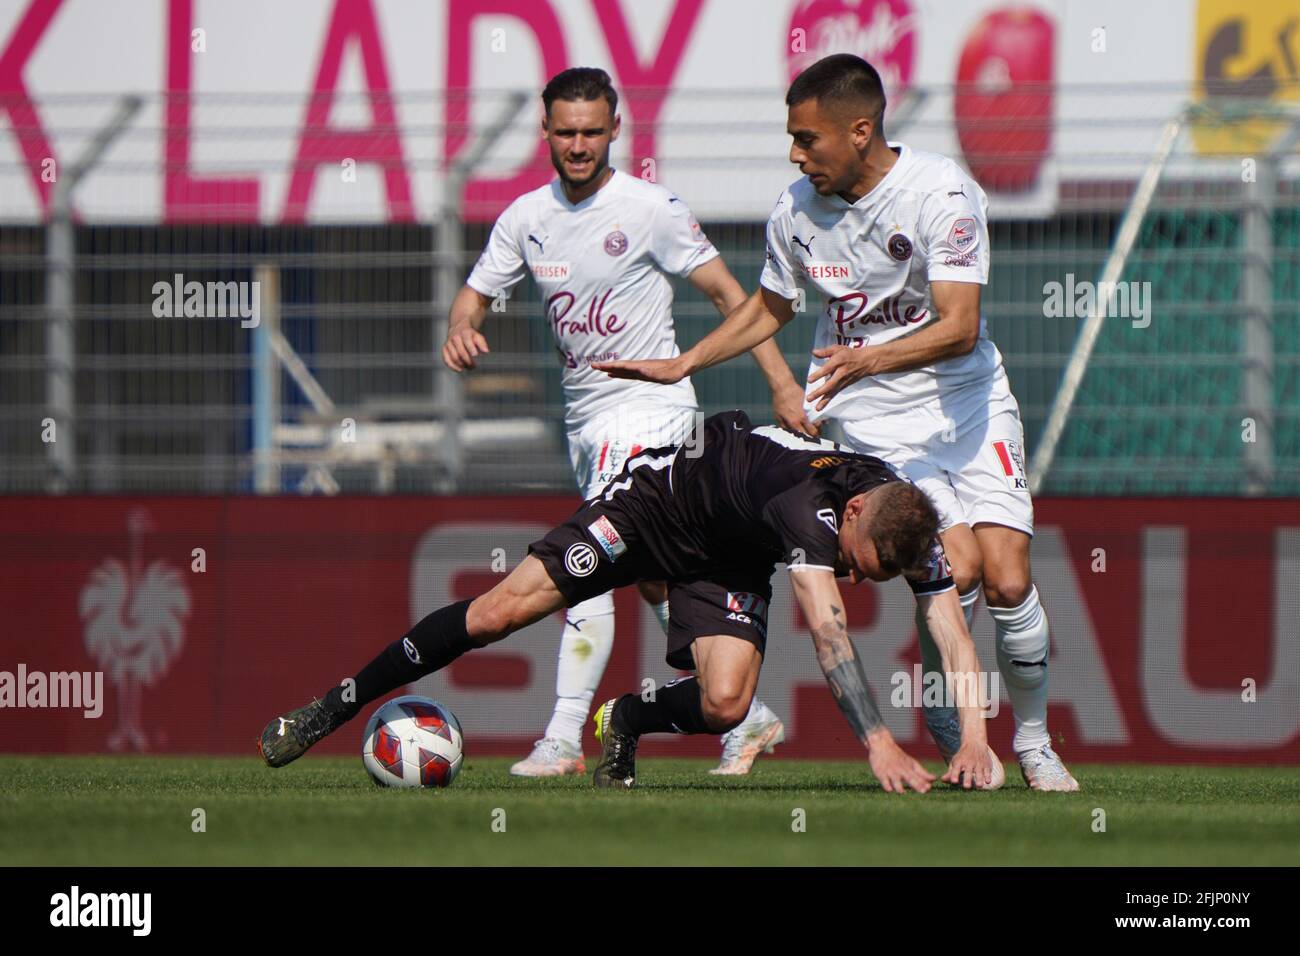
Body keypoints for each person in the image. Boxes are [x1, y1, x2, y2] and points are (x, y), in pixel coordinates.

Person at [595, 54, 1077, 791]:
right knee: (962, 566)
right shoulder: (795, 211)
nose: (795, 153)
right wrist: (685, 361)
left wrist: (869, 358)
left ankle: (1036, 742)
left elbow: (959, 324)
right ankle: (953, 721)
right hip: (877, 427)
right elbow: (770, 307)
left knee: (1009, 578)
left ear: (860, 131)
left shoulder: (941, 193)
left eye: (806, 138)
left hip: (967, 404)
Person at [258, 410, 998, 793]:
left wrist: (974, 739)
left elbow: (952, 631)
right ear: (859, 518)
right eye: (856, 564)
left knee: (727, 705)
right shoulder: (812, 513)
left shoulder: (909, 518)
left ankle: (625, 719)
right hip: (653, 508)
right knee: (496, 614)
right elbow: (829, 636)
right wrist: (878, 744)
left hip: (729, 555)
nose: (855, 578)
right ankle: (335, 705)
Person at [440, 67, 794, 776]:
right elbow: (474, 295)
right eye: (566, 132)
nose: (578, 145)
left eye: (592, 132)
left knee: (589, 564)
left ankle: (564, 738)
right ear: (544, 132)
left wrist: (783, 385)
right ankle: (747, 718)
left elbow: (733, 296)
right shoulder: (525, 219)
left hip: (652, 415)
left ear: (614, 131)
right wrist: (461, 327)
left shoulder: (649, 208)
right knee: (658, 579)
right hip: (588, 424)